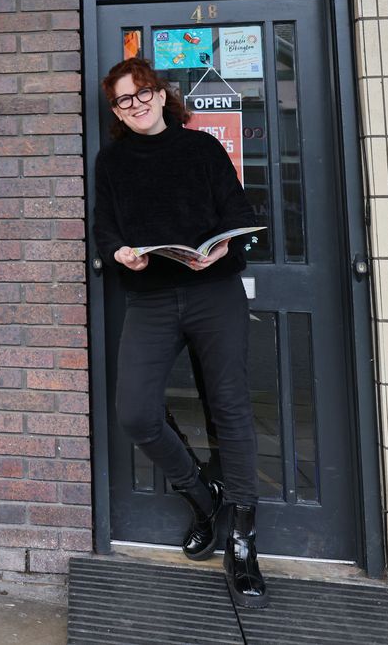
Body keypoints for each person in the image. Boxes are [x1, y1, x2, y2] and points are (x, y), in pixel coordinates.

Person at [92, 57, 268, 609]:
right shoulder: (113, 160)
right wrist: (120, 254)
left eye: (143, 92)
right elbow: (106, 230)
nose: (137, 104)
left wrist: (219, 247)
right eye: (124, 100)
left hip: (213, 293)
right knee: (136, 412)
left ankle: (241, 537)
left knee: (231, 407)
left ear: (162, 93)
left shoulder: (201, 149)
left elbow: (238, 214)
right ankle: (201, 495)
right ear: (117, 111)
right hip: (150, 298)